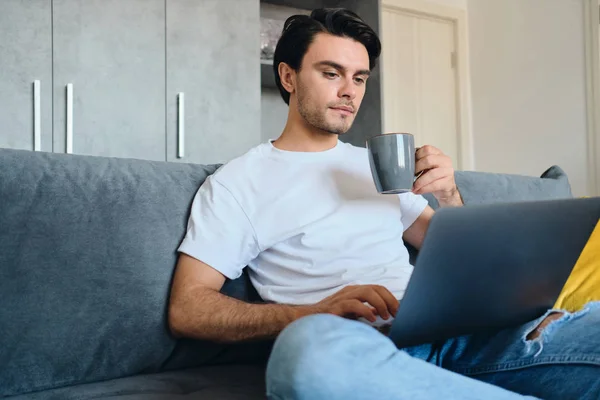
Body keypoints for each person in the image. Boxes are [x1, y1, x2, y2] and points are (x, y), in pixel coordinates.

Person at [168, 8, 600, 400]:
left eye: (359, 78)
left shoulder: (374, 165)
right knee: (308, 354)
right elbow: (188, 308)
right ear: (288, 76)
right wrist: (312, 312)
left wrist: (448, 196)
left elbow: (457, 255)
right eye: (331, 73)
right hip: (358, 346)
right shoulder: (238, 182)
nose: (349, 91)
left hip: (458, 336)